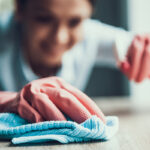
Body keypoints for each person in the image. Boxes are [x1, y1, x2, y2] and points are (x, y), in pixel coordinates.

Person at [0, 0, 150, 123]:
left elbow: (134, 45)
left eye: (75, 22)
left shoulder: (89, 35)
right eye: (44, 19)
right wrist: (10, 101)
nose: (60, 37)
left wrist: (143, 52)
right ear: (19, 9)